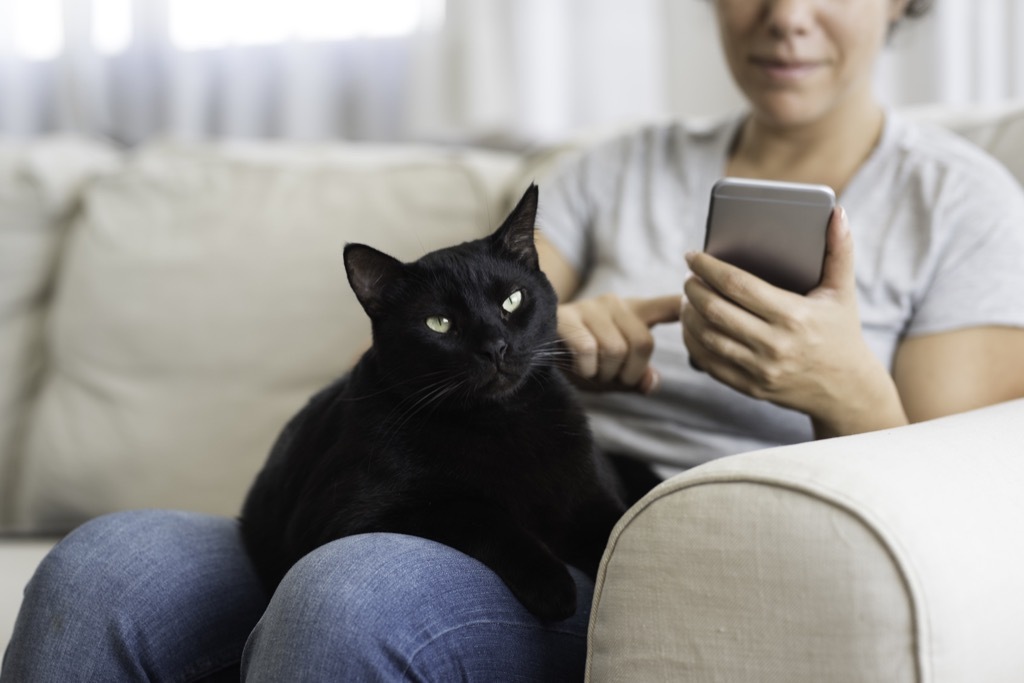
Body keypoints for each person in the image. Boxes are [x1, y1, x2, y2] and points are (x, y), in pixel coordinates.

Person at [4, 1, 1023, 680]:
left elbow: (966, 518)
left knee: (349, 593)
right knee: (101, 565)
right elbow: (459, 331)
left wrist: (841, 388)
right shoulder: (610, 169)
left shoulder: (961, 201)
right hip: (484, 485)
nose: (785, 17)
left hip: (643, 550)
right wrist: (564, 336)